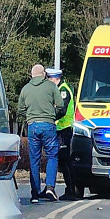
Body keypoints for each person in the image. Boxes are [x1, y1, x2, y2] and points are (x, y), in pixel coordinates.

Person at [17, 64, 61, 203]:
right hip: (48, 125)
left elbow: (20, 109)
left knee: (34, 160)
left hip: (33, 126)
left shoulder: (25, 89)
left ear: (32, 75)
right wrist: (51, 115)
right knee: (52, 156)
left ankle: (35, 194)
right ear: (43, 75)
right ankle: (49, 187)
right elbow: (60, 105)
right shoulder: (51, 87)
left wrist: (30, 117)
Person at [47, 67, 80, 201]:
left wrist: (50, 118)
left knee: (66, 161)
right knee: (60, 160)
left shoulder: (63, 90)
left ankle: (71, 190)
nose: (49, 81)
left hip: (64, 129)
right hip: (59, 129)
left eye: (50, 78)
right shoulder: (58, 90)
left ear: (57, 79)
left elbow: (62, 110)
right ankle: (65, 189)